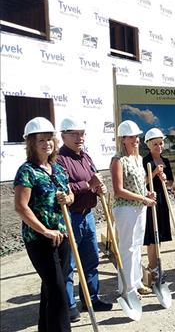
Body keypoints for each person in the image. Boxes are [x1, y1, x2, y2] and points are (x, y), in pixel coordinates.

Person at [14, 117, 74, 332]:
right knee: (58, 290)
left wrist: (68, 199)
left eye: (50, 139)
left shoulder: (57, 169)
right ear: (31, 143)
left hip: (63, 236)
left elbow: (70, 195)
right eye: (41, 139)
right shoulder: (27, 171)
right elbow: (21, 207)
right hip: (39, 239)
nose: (47, 143)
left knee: (51, 288)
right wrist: (45, 231)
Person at [57, 117, 112, 322]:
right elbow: (64, 189)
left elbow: (94, 180)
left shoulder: (86, 157)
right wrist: (89, 184)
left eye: (82, 133)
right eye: (74, 134)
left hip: (88, 215)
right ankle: (70, 306)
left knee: (91, 260)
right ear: (63, 136)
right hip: (70, 216)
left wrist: (99, 188)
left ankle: (92, 298)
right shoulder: (60, 159)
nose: (79, 138)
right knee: (70, 263)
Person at [110, 120, 156, 296]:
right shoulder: (118, 160)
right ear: (123, 139)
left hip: (139, 208)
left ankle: (136, 283)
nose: (135, 140)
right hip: (125, 210)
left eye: (136, 136)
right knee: (127, 249)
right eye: (131, 137)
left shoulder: (139, 159)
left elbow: (139, 185)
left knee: (136, 246)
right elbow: (119, 190)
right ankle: (126, 288)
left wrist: (147, 194)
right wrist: (143, 198)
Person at [142, 128, 174, 280]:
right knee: (151, 235)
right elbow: (142, 183)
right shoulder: (144, 161)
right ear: (149, 145)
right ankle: (152, 266)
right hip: (150, 199)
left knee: (159, 233)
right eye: (155, 144)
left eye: (161, 143)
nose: (159, 146)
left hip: (163, 199)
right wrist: (154, 173)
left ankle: (157, 264)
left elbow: (171, 184)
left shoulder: (166, 161)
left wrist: (165, 179)